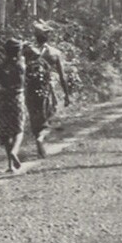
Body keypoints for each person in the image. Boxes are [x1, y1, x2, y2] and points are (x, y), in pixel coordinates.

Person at [26, 22, 70, 157]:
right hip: (47, 89)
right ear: (47, 37)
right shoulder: (54, 53)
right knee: (49, 117)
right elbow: (62, 76)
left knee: (34, 116)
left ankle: (38, 140)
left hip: (30, 89)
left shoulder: (28, 51)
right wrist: (66, 94)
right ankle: (40, 139)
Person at [0, 38, 26, 172]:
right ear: (18, 51)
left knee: (6, 132)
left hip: (3, 98)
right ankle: (14, 151)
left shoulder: (0, 66)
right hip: (17, 98)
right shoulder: (20, 65)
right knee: (19, 129)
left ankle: (10, 165)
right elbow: (22, 82)